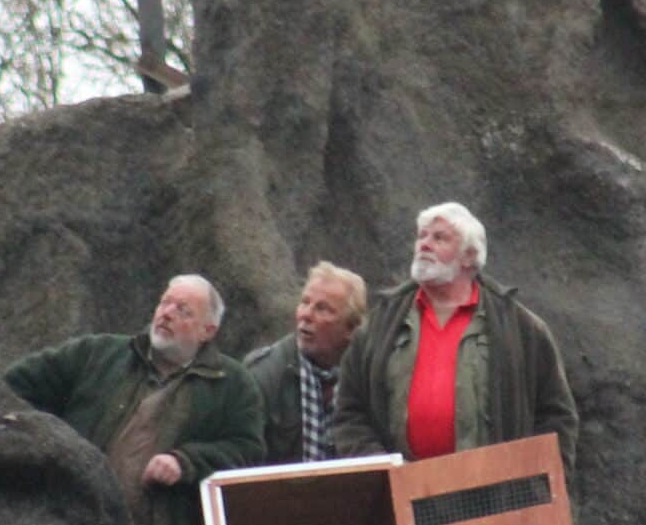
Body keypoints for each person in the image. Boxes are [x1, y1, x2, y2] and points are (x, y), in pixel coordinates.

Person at [2, 274, 265, 525]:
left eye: (183, 310)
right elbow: (14, 384)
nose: (167, 313)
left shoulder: (233, 384)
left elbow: (247, 451)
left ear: (208, 330)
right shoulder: (98, 354)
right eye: (165, 303)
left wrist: (186, 462)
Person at [331, 203, 578, 475]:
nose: (424, 244)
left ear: (470, 257)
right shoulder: (381, 324)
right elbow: (348, 411)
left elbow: (557, 417)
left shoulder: (520, 329)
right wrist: (380, 469)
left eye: (439, 238)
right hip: (401, 497)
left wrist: (540, 486)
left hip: (492, 499)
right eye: (421, 236)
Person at [244, 261, 369, 465]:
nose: (305, 315)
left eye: (323, 309)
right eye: (304, 302)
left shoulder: (369, 378)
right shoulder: (262, 375)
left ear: (351, 328)